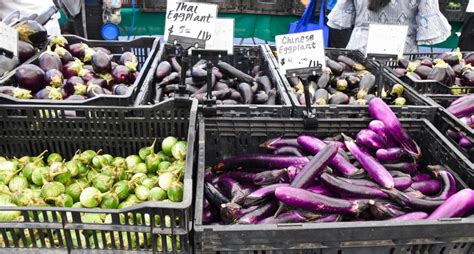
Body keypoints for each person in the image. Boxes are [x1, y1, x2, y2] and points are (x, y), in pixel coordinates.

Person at [327, 0, 452, 53]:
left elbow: (342, 17)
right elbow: (430, 28)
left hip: (359, 52)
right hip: (402, 55)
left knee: (357, 102)